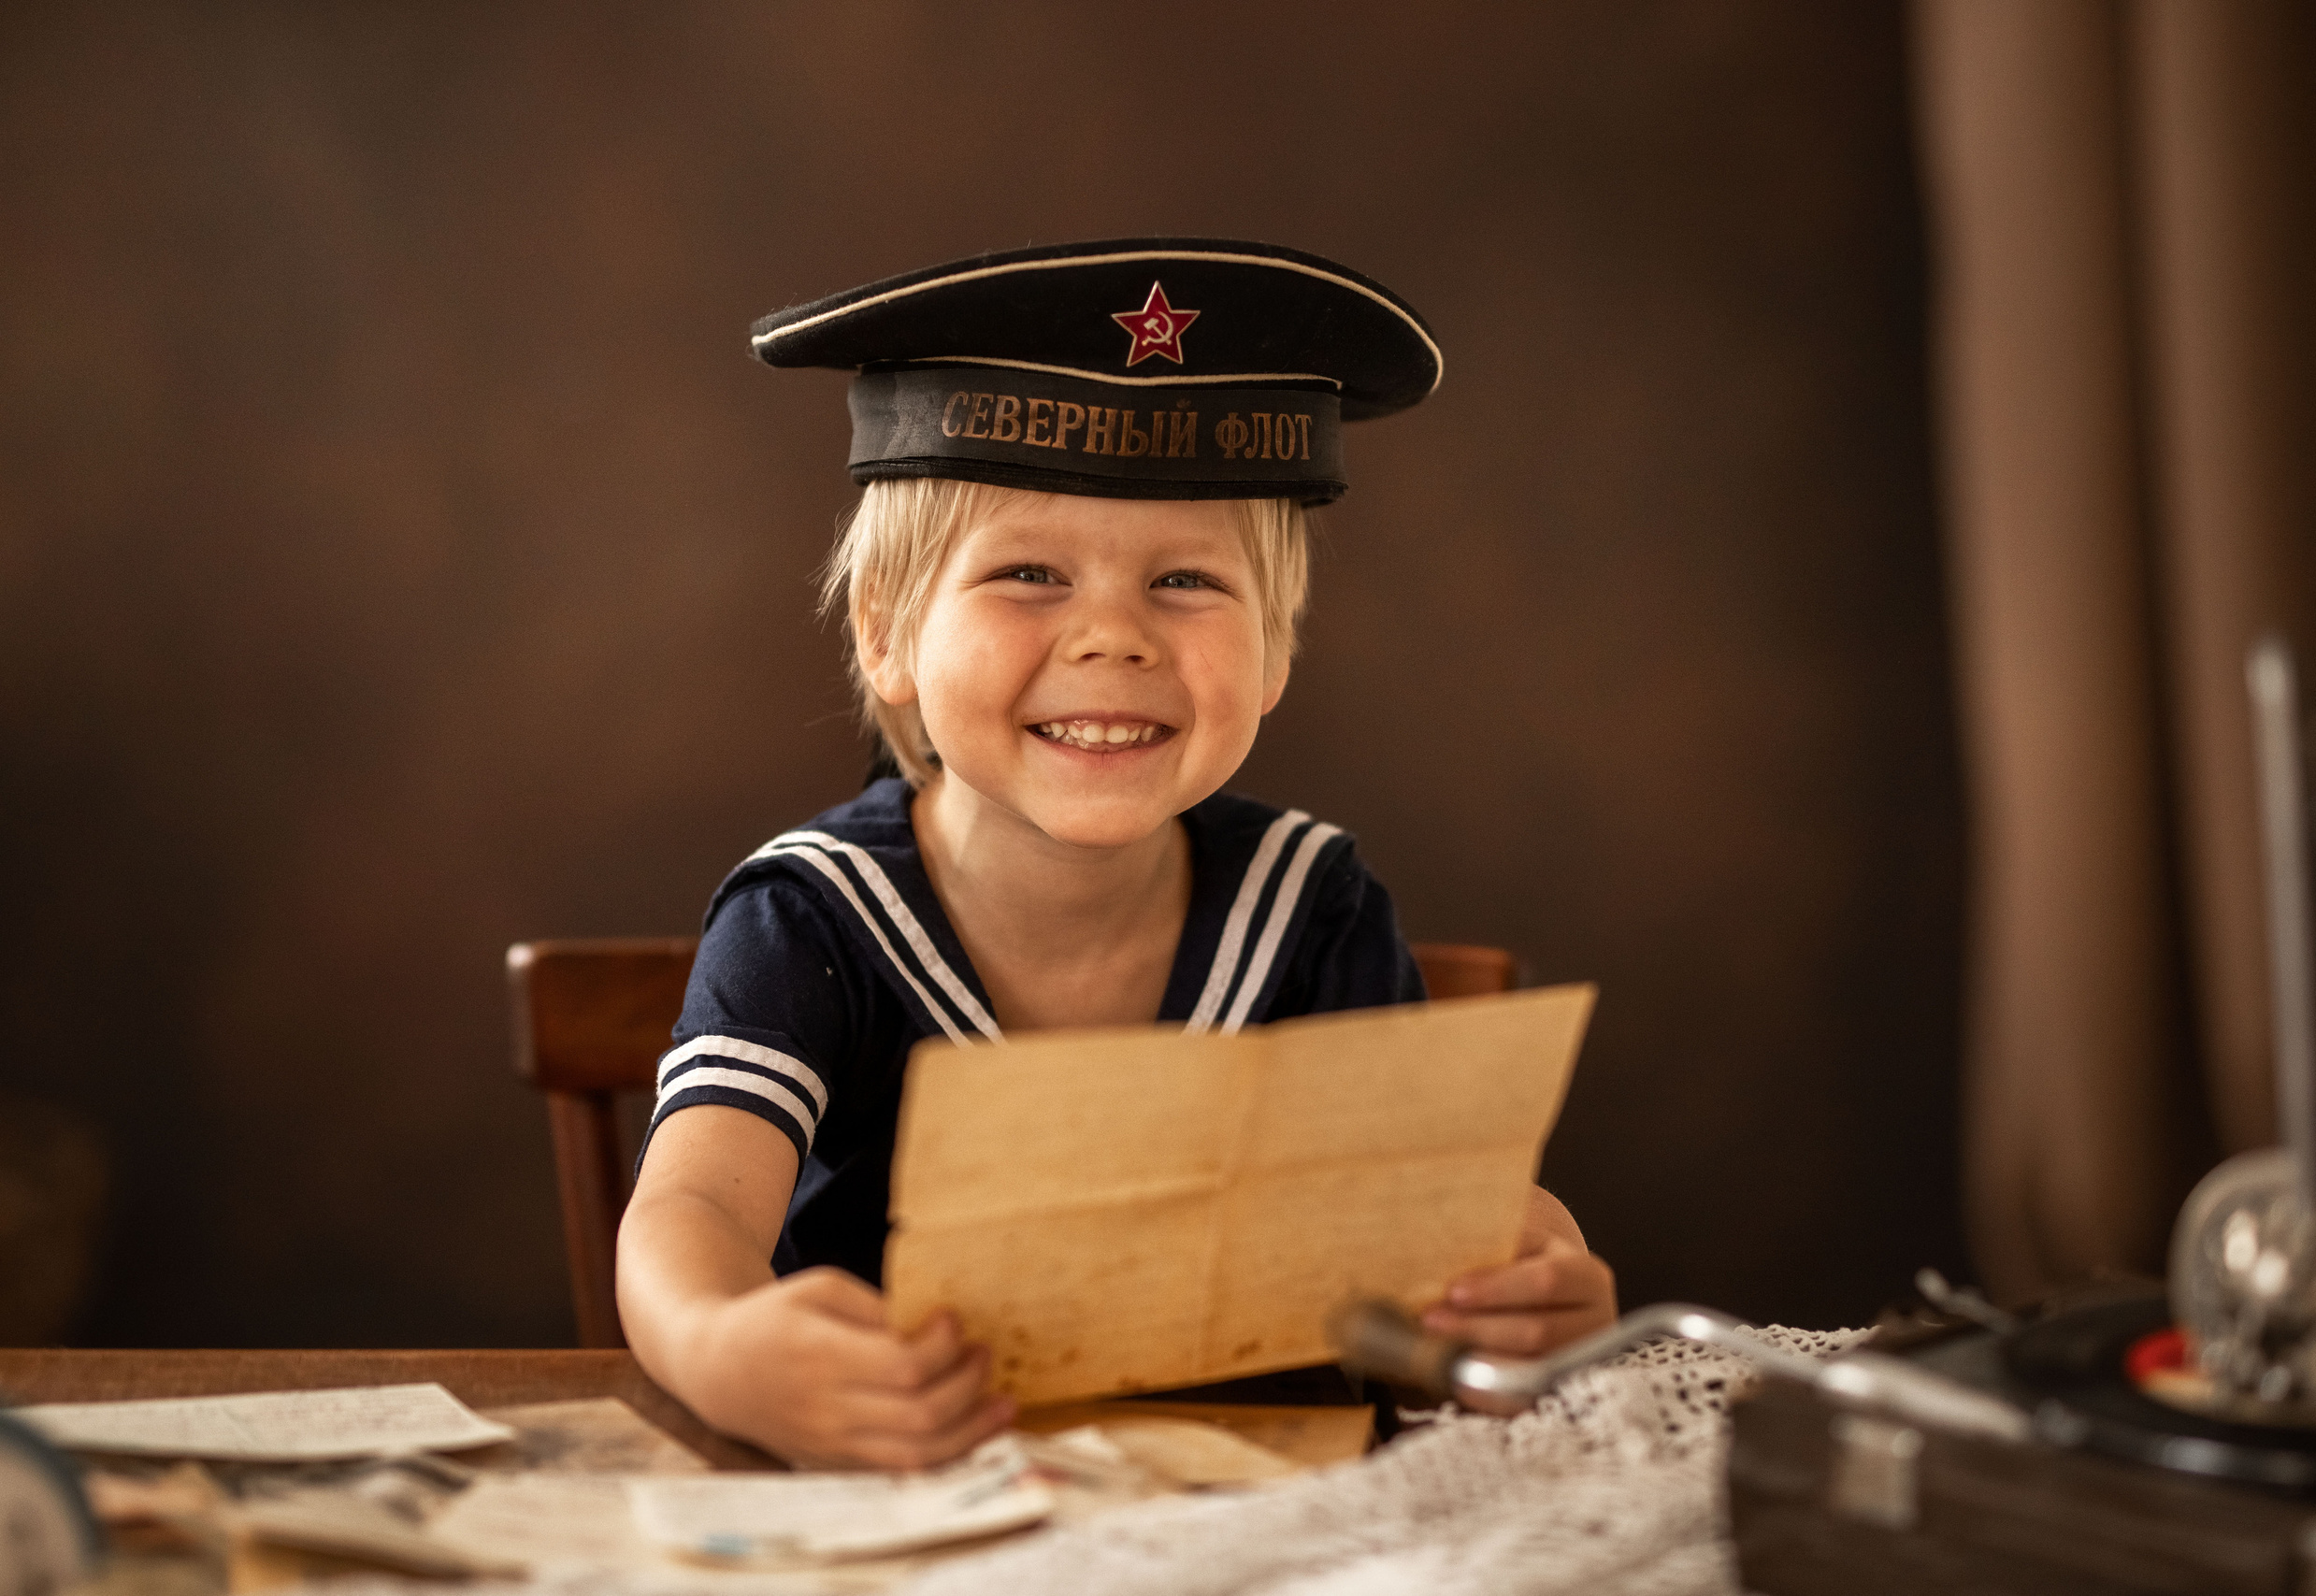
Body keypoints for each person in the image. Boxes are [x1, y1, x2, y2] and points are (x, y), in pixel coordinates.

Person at [615, 239, 1617, 1468]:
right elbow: (694, 1208)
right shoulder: (813, 918)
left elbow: (1441, 1218)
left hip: (1265, 1517)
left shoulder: (1311, 908)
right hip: (913, 1516)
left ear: (1278, 652)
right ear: (887, 635)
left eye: (1187, 581)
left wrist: (1535, 1267)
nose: (1111, 637)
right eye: (1029, 573)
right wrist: (723, 1346)